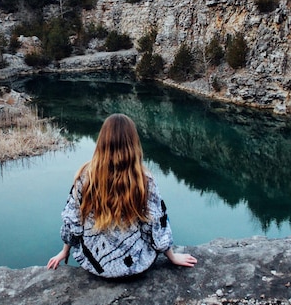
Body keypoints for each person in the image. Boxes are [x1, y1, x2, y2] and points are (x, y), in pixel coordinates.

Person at [47, 113, 197, 278]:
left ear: (102, 141)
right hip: (135, 265)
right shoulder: (144, 179)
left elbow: (72, 219)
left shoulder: (85, 176)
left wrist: (64, 251)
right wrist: (172, 257)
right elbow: (155, 223)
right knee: (159, 212)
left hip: (96, 265)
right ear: (133, 142)